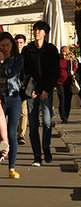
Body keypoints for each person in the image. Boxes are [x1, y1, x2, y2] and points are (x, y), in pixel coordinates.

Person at [21, 20, 59, 165]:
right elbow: (24, 71)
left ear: (45, 33)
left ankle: (46, 148)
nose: (36, 32)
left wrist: (47, 90)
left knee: (48, 122)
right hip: (32, 91)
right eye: (35, 29)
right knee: (34, 124)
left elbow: (55, 71)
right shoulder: (28, 49)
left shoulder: (51, 50)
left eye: (40, 29)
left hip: (46, 91)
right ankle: (37, 155)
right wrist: (29, 90)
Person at [0, 33, 21, 178]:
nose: (5, 48)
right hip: (0, 100)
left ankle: (11, 168)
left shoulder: (18, 59)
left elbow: (11, 73)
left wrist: (1, 63)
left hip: (14, 98)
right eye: (2, 46)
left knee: (12, 133)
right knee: (1, 134)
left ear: (12, 45)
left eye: (7, 45)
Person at [56, 45, 78, 123]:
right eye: (62, 53)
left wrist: (73, 72)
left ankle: (66, 117)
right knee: (62, 99)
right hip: (59, 82)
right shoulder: (58, 60)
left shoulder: (70, 60)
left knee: (68, 100)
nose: (63, 55)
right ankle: (63, 117)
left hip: (68, 82)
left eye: (65, 54)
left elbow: (75, 67)